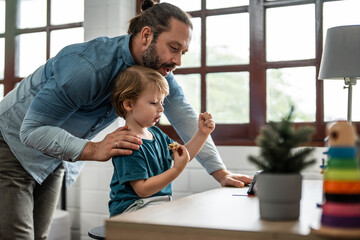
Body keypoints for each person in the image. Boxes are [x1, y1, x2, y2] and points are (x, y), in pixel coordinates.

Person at [0, 0, 252, 239]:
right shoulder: (86, 68)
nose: (178, 61)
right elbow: (31, 130)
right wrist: (94, 148)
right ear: (146, 36)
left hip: (53, 153)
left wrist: (220, 173)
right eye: (174, 48)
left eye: (183, 52)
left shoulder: (153, 73)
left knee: (41, 235)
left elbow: (184, 114)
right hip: (10, 142)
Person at [109, 65, 215, 216]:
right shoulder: (127, 142)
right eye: (153, 102)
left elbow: (183, 155)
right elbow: (142, 189)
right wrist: (176, 169)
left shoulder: (156, 133)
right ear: (129, 104)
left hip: (156, 204)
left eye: (162, 102)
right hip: (131, 210)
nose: (161, 109)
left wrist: (202, 134)